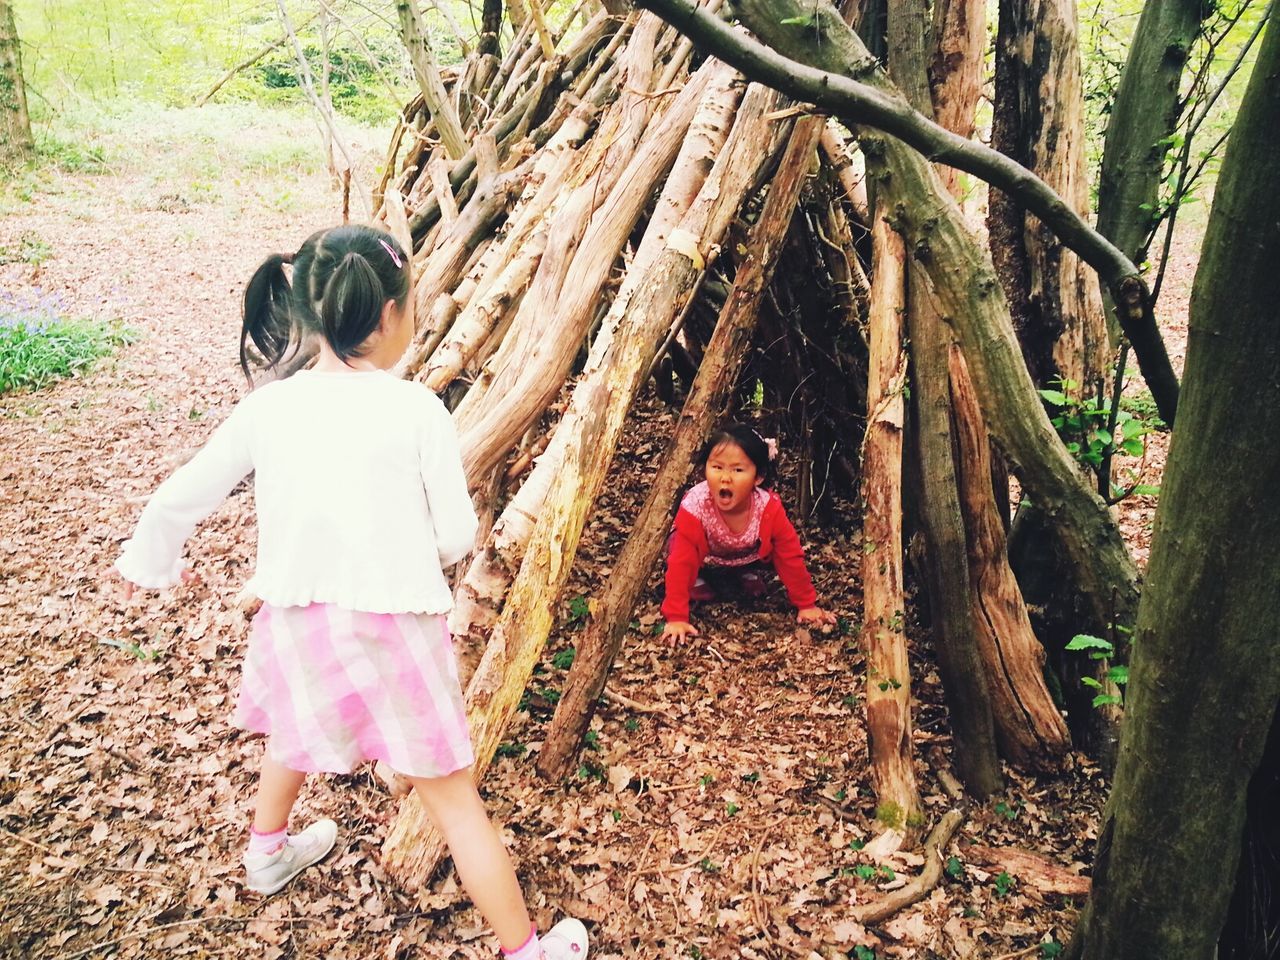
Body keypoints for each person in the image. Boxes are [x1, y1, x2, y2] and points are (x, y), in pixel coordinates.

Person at [113, 225, 588, 960]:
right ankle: (526, 949)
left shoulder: (268, 409)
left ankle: (267, 851)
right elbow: (458, 534)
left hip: (299, 618)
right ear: (393, 314)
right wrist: (408, 548)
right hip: (396, 626)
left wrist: (155, 562)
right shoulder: (417, 409)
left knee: (297, 730)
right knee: (454, 799)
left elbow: (179, 497)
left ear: (306, 309)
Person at [660, 423, 838, 646]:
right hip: (705, 553)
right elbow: (682, 560)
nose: (725, 478)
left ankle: (743, 572)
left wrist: (807, 604)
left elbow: (789, 554)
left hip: (745, 553)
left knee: (768, 546)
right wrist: (676, 616)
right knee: (679, 546)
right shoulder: (696, 505)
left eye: (738, 470)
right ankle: (700, 577)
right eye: (717, 467)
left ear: (758, 477)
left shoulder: (767, 508)